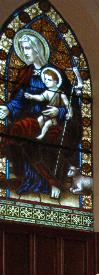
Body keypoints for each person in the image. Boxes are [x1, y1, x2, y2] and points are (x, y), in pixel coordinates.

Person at [0, 29, 77, 198]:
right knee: (19, 133)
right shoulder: (25, 73)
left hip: (50, 121)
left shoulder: (56, 75)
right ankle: (33, 181)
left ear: (37, 49)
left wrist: (59, 111)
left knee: (29, 138)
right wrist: (9, 108)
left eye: (28, 48)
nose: (26, 52)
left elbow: (70, 105)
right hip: (30, 118)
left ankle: (50, 183)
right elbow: (18, 99)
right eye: (23, 49)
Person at [24, 67, 71, 140]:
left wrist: (70, 113)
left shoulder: (61, 94)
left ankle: (41, 136)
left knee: (47, 124)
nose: (46, 81)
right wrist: (31, 96)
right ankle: (35, 134)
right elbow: (40, 97)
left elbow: (68, 105)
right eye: (45, 79)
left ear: (55, 81)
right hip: (48, 113)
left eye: (49, 80)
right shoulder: (47, 92)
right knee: (39, 119)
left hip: (56, 117)